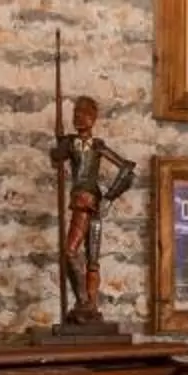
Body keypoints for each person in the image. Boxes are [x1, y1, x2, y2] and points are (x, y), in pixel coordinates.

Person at [53, 94, 137, 328]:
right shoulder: (71, 143)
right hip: (79, 202)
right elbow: (56, 157)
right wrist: (60, 140)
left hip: (92, 204)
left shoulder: (98, 146)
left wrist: (110, 197)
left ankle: (88, 303)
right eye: (75, 113)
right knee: (73, 253)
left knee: (88, 258)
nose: (79, 117)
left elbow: (128, 170)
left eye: (85, 113)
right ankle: (85, 303)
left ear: (93, 118)